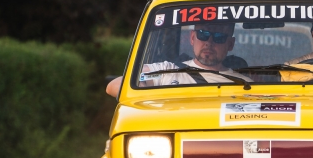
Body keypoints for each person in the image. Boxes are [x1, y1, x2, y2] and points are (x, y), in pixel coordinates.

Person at [105, 22, 248, 97]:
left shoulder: (246, 85)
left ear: (230, 44)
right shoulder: (168, 71)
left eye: (218, 37)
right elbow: (114, 85)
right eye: (203, 35)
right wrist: (144, 95)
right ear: (192, 38)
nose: (208, 42)